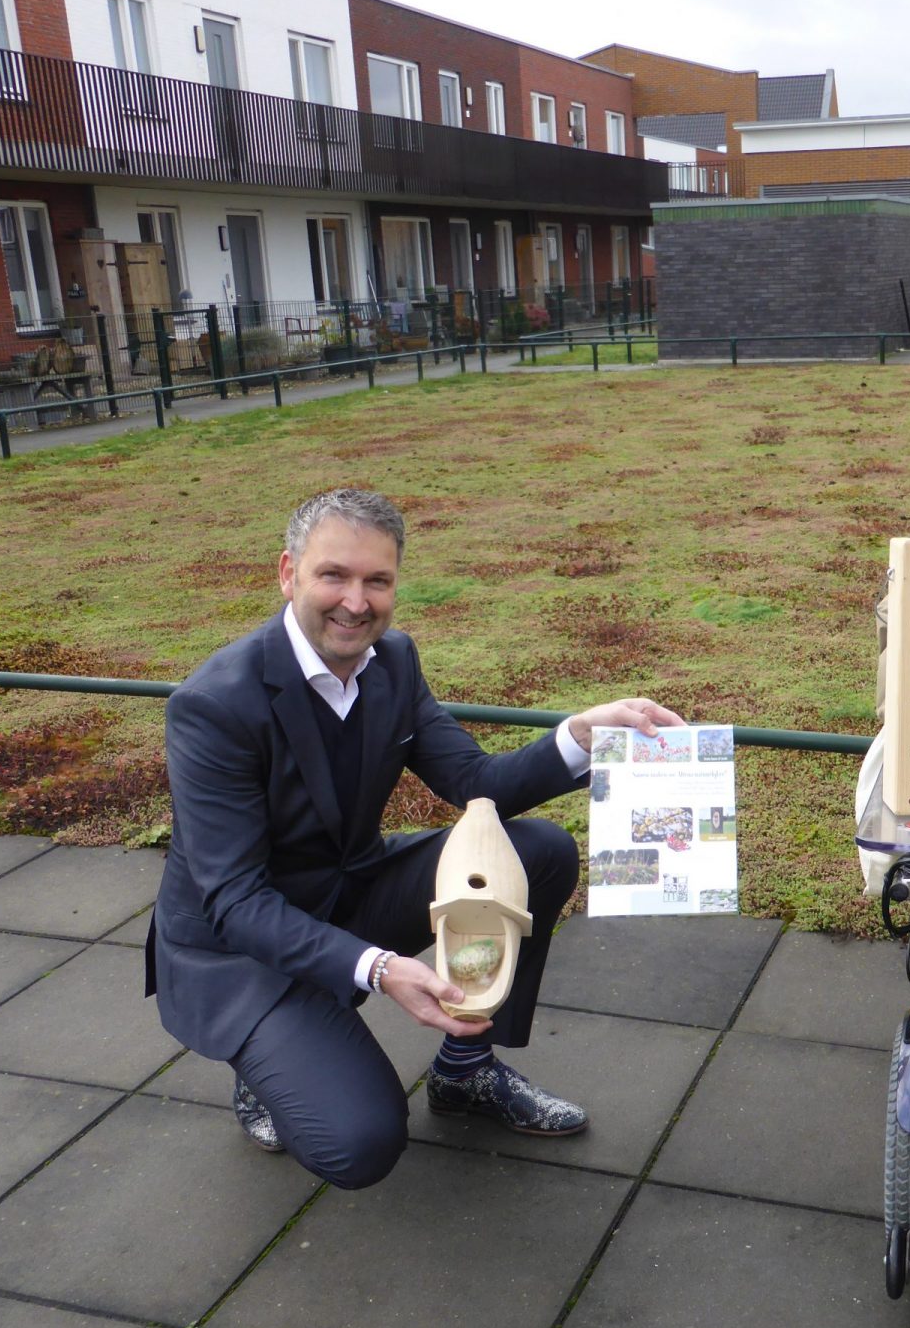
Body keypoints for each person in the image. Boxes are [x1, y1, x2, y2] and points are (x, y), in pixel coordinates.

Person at [146, 488, 680, 1189]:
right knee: (359, 1145)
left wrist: (581, 736)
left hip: (346, 890)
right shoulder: (216, 705)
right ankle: (264, 1060)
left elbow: (475, 780)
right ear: (288, 573)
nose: (356, 602)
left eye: (378, 580)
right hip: (240, 946)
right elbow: (236, 899)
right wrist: (379, 968)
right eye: (333, 575)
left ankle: (464, 1071)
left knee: (538, 852)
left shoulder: (392, 662)